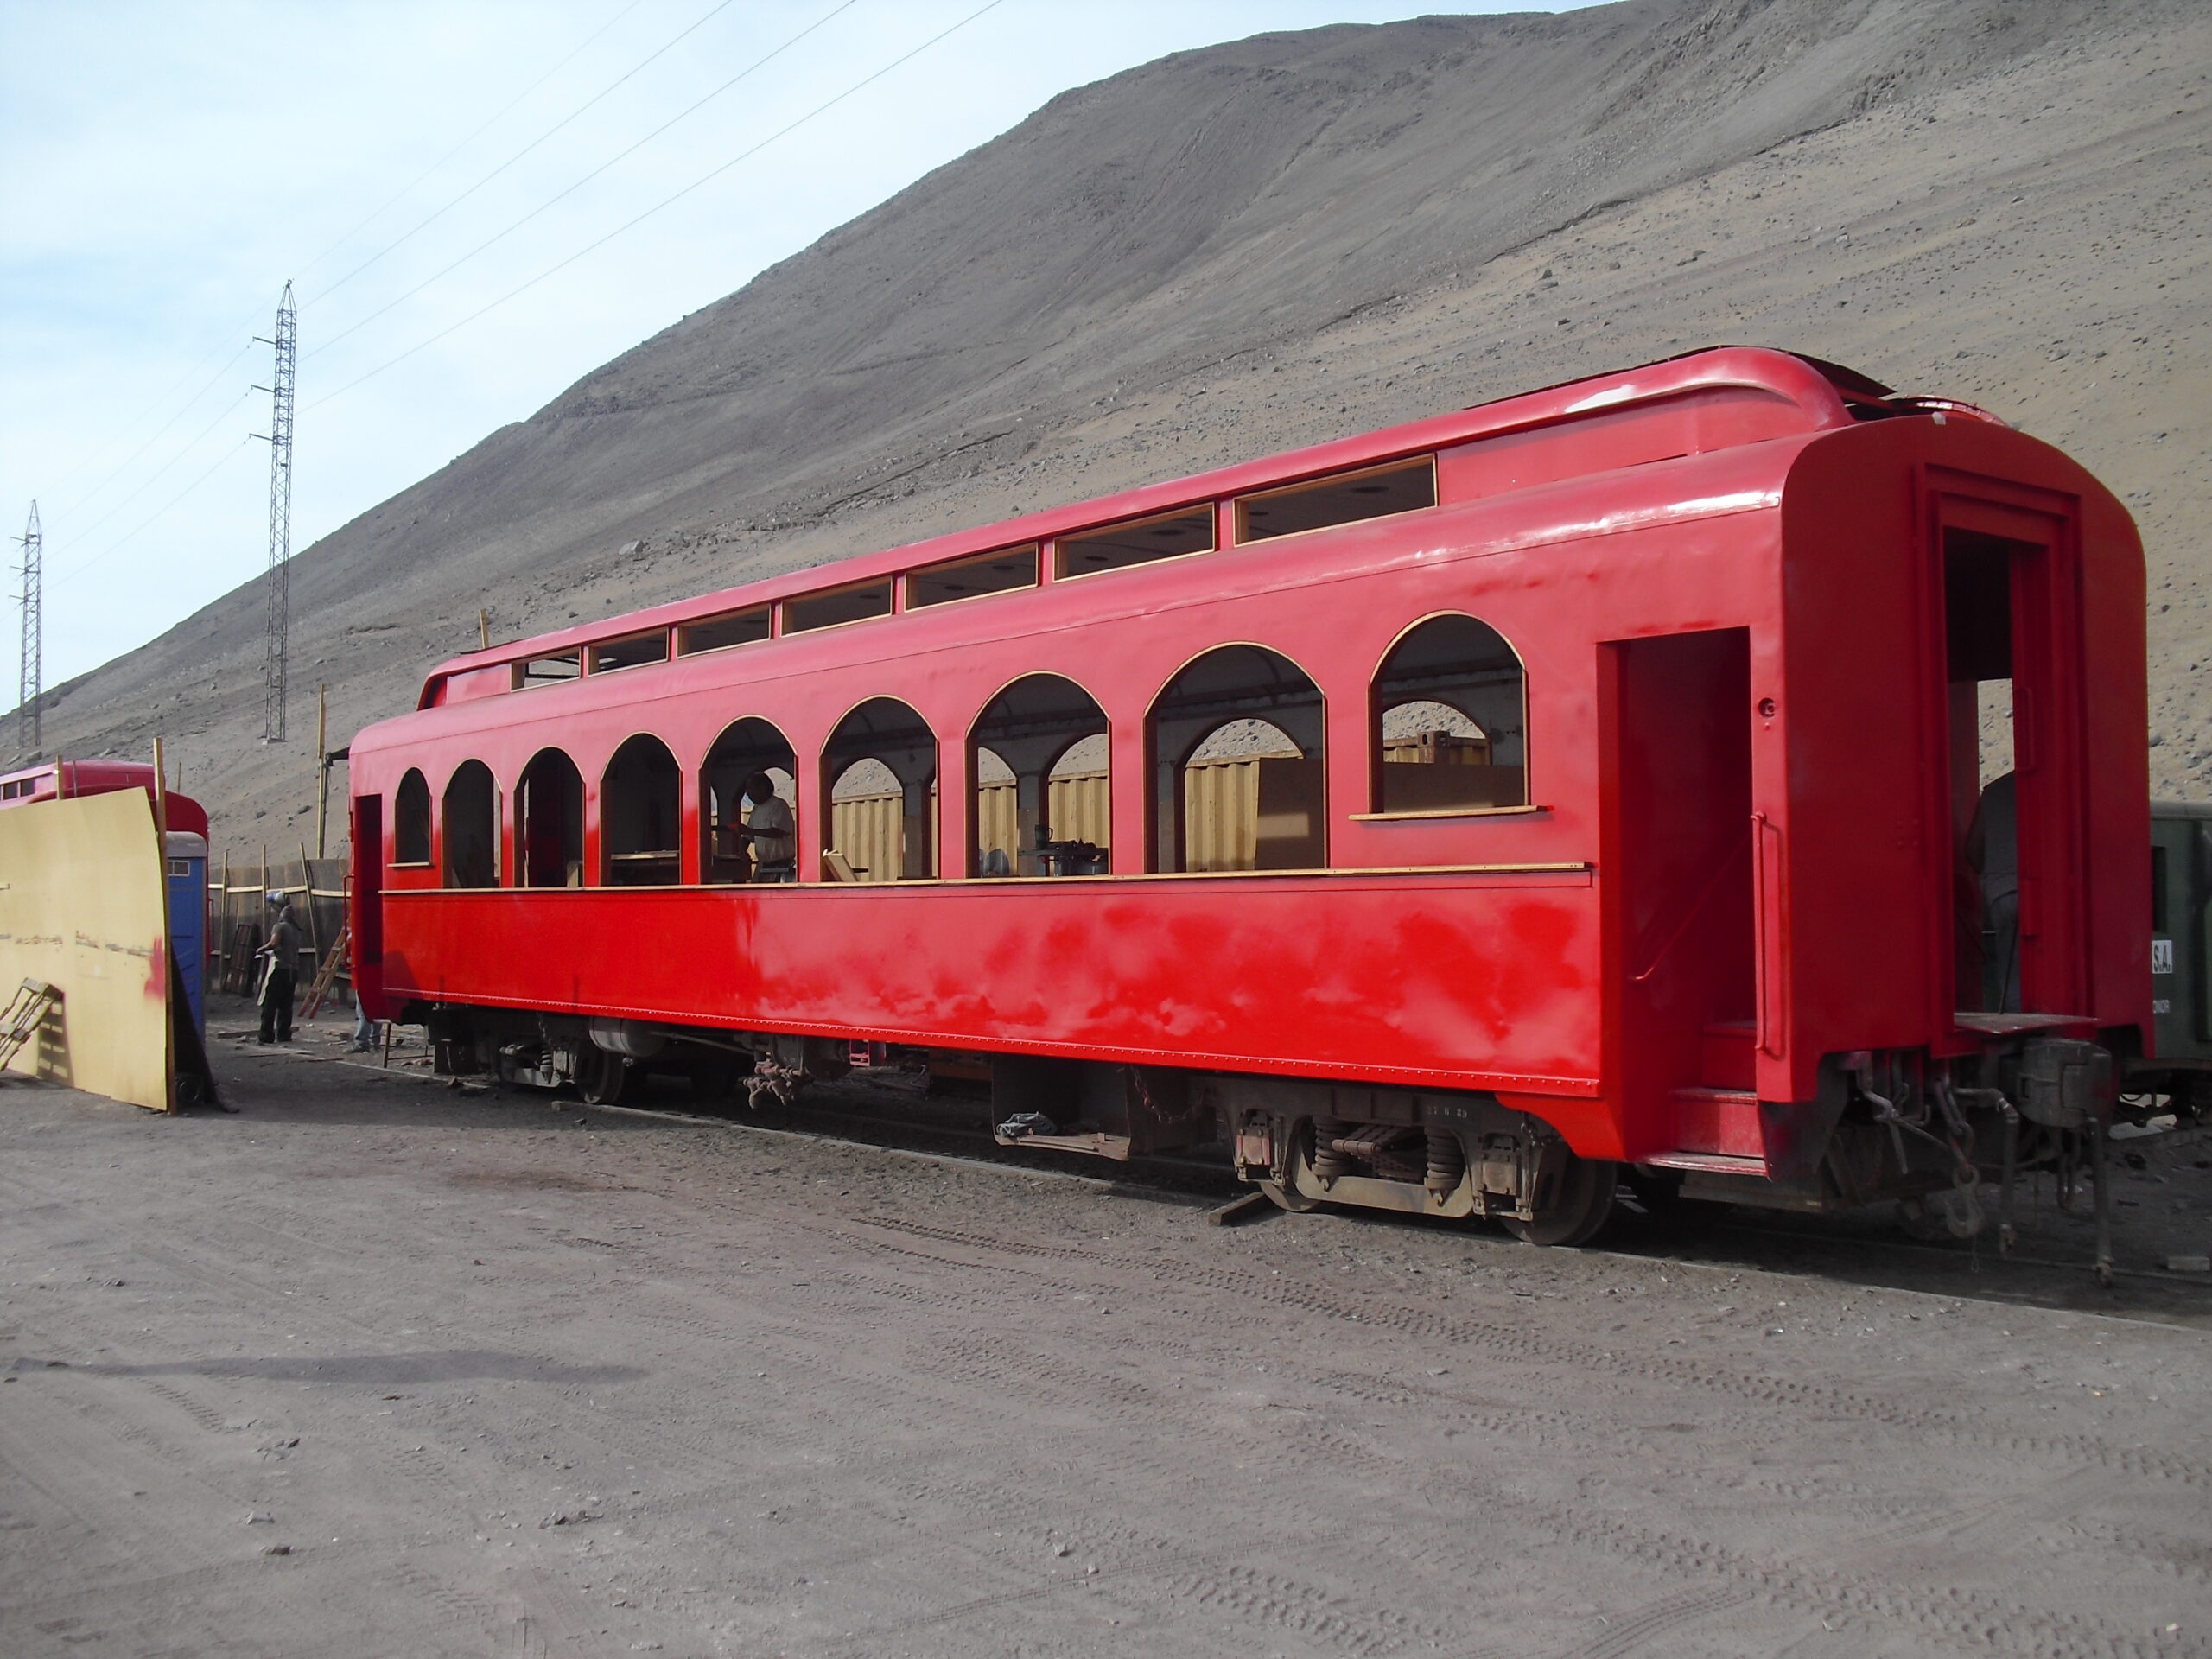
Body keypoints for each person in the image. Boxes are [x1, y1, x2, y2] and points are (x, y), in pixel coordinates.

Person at [257, 901, 302, 1045]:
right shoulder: (296, 930)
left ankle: (266, 1035)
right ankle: (284, 1034)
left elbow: (274, 943)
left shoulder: (279, 927)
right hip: (293, 971)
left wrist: (261, 949)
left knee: (270, 1004)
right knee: (285, 1005)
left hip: (279, 969)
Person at [736, 773, 795, 881]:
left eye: (750, 788)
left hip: (782, 867)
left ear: (762, 787)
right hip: (763, 866)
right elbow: (749, 836)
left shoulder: (779, 805)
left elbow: (778, 832)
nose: (747, 794)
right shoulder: (756, 809)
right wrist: (742, 851)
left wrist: (749, 830)